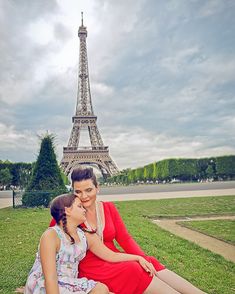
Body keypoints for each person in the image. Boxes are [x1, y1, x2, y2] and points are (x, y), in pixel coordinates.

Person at [50, 168, 206, 294]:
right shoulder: (67, 214)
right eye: (78, 192)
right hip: (89, 266)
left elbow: (124, 238)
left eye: (89, 190)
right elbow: (54, 244)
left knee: (149, 262)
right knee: (133, 269)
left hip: (114, 257)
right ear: (73, 191)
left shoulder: (108, 208)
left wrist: (142, 257)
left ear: (98, 188)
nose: (84, 196)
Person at [25, 193, 156, 294]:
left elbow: (111, 256)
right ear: (68, 210)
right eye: (79, 206)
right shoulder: (50, 236)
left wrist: (138, 258)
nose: (84, 210)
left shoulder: (85, 236)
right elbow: (50, 278)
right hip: (49, 285)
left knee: (102, 288)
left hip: (71, 282)